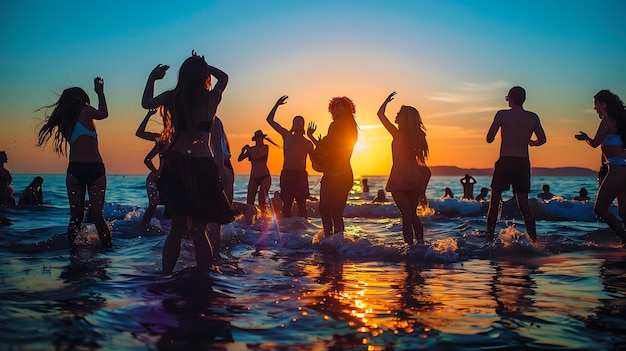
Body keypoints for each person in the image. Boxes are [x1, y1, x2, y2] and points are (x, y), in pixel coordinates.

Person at [141, 51, 234, 274]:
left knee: (176, 228)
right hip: (202, 164)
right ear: (203, 75)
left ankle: (166, 277)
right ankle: (205, 279)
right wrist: (205, 66)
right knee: (199, 230)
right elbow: (225, 78)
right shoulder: (211, 99)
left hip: (177, 163)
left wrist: (152, 79)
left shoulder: (173, 97)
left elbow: (146, 103)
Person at [36, 78, 112, 248]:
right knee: (97, 216)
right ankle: (108, 252)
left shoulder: (64, 121)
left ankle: (73, 254)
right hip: (96, 170)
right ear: (81, 99)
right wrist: (100, 92)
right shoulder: (86, 111)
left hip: (75, 171)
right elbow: (104, 114)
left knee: (75, 218)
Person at [486, 86, 546, 242]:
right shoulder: (532, 117)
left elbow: (489, 138)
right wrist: (532, 143)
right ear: (524, 99)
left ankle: (489, 239)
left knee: (494, 203)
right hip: (522, 163)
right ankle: (534, 240)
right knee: (524, 205)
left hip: (505, 161)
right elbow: (543, 139)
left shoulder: (502, 115)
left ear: (510, 99)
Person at [377, 92, 431, 245]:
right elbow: (424, 167)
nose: (397, 115)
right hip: (414, 177)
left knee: (406, 215)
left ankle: (409, 248)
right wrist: (423, 190)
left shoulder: (398, 134)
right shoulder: (419, 136)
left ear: (404, 118)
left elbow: (380, 115)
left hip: (400, 177)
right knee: (412, 214)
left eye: (399, 113)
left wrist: (386, 101)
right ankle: (420, 245)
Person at [575, 89, 626, 245]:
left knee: (600, 208)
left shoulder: (607, 120)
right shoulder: (620, 121)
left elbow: (595, 143)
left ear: (604, 104)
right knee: (623, 212)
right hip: (623, 168)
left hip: (617, 169)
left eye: (595, 104)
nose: (594, 108)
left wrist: (585, 138)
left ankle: (624, 239)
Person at [307, 96, 358, 237]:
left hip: (338, 176)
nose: (335, 109)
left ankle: (331, 240)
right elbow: (330, 147)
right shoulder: (351, 126)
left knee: (329, 211)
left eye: (339, 106)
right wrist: (313, 139)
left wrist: (312, 139)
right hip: (340, 174)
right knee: (332, 212)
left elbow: (328, 146)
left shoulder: (337, 125)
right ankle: (336, 242)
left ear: (347, 109)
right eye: (333, 107)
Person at [266, 96, 314, 218]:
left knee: (302, 205)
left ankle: (301, 233)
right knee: (286, 204)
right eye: (296, 121)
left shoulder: (308, 143)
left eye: (300, 122)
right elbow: (270, 120)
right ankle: (287, 233)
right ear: (293, 124)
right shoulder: (287, 135)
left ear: (303, 125)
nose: (298, 123)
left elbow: (315, 162)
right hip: (287, 174)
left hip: (301, 176)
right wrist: (276, 104)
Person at [238, 130, 277, 213]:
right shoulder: (251, 149)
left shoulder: (265, 147)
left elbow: (258, 155)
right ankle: (250, 219)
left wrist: (249, 150)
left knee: (261, 199)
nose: (259, 140)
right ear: (255, 139)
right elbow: (239, 159)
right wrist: (243, 151)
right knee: (249, 201)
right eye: (258, 139)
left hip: (264, 176)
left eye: (261, 138)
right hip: (254, 177)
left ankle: (265, 218)